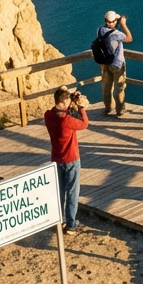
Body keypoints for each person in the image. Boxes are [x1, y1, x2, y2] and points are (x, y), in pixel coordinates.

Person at [43, 88, 89, 231]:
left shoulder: (48, 116)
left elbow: (57, 111)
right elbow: (84, 123)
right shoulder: (66, 121)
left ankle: (59, 220)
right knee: (72, 192)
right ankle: (71, 224)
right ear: (63, 102)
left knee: (60, 190)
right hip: (71, 158)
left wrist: (70, 101)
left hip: (57, 158)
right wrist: (80, 107)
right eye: (68, 100)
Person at [96, 11, 132, 117]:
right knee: (119, 87)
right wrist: (123, 24)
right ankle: (120, 110)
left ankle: (108, 108)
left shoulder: (100, 30)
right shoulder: (116, 34)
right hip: (117, 64)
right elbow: (129, 38)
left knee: (107, 87)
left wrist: (116, 22)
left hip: (105, 63)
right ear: (114, 21)